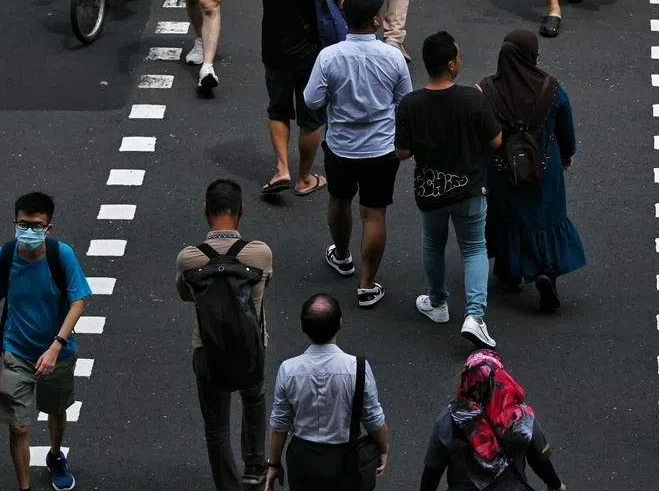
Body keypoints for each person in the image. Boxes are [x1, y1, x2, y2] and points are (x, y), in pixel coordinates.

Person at [0, 192, 92, 491]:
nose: (29, 230)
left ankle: (55, 455)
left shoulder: (61, 255)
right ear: (15, 223)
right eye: (23, 224)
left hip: (58, 353)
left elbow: (78, 302)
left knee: (56, 410)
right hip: (17, 352)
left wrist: (55, 347)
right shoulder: (4, 255)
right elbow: (0, 289)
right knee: (18, 426)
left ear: (48, 228)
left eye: (36, 225)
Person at [304, 0, 412, 308]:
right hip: (381, 148)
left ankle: (342, 255)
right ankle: (367, 284)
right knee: (374, 213)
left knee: (339, 200)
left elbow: (311, 100)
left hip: (341, 147)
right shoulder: (393, 57)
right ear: (376, 21)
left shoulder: (329, 57)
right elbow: (404, 101)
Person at [395, 31, 503, 348]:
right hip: (469, 189)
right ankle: (475, 317)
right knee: (473, 248)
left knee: (432, 243)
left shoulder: (411, 104)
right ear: (452, 64)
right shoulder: (472, 99)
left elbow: (401, 152)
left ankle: (438, 302)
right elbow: (496, 141)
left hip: (430, 192)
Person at [176, 179, 273, 491]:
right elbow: (264, 286)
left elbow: (185, 294)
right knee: (254, 401)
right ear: (241, 210)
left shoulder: (189, 257)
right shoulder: (259, 253)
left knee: (216, 428)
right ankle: (255, 469)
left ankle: (228, 485)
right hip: (251, 347)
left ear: (206, 210)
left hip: (208, 350)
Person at [480, 29, 585, 312]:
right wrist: (567, 154)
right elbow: (566, 129)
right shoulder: (551, 89)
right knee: (545, 219)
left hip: (503, 170)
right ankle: (545, 272)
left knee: (508, 218)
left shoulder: (487, 90)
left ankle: (510, 273)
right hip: (543, 167)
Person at [250, 0, 343, 197]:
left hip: (274, 49)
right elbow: (341, 2)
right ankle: (304, 177)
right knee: (311, 116)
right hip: (312, 53)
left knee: (278, 109)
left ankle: (281, 168)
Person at [265, 293, 389, 491]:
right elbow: (373, 418)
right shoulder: (358, 368)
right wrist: (383, 448)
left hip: (302, 460)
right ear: (340, 323)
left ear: (304, 328)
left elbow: (280, 422)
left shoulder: (288, 370)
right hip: (344, 461)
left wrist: (273, 464)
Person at [419, 350, 567, 491]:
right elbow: (540, 460)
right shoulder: (521, 416)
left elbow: (433, 470)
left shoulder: (450, 417)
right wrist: (555, 484)